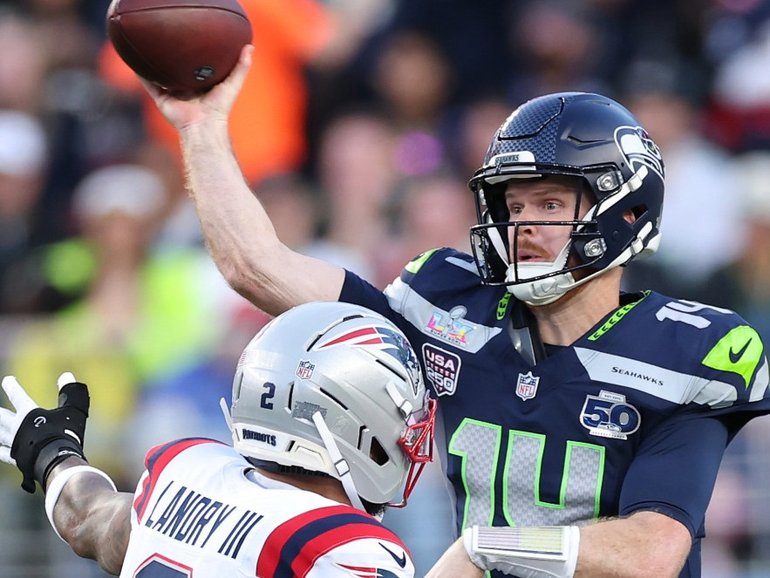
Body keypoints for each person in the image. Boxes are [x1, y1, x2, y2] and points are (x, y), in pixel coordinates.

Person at [138, 46, 770, 578]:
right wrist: (201, 129)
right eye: (513, 205)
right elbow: (255, 265)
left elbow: (653, 550)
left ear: (627, 212)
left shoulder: (687, 351)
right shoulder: (449, 307)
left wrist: (483, 548)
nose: (523, 225)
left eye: (550, 204)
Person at [0, 301, 437, 577]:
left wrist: (54, 455)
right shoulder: (339, 545)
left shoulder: (185, 468)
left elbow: (87, 520)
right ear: (355, 425)